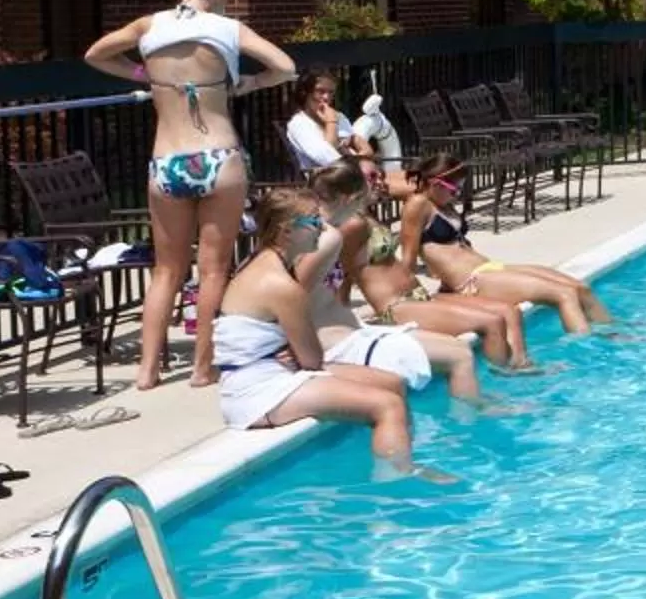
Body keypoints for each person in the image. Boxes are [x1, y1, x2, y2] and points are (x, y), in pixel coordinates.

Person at [84, 0, 298, 390]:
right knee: (213, 269)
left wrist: (142, 72)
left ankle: (147, 370)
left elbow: (95, 55)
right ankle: (202, 367)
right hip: (218, 157)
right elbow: (286, 66)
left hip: (167, 162)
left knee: (166, 271)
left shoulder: (148, 27)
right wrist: (250, 84)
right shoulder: (227, 29)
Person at [209, 189, 446, 478]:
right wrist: (293, 356)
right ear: (286, 231)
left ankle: (385, 457)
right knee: (387, 405)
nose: (322, 230)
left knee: (393, 382)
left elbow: (301, 354)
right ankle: (397, 483)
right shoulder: (282, 285)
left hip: (272, 370)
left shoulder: (266, 263)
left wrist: (289, 353)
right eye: (313, 223)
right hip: (255, 393)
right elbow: (311, 360)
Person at [304, 165, 492, 405]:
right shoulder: (327, 237)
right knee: (459, 357)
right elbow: (292, 291)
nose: (379, 184)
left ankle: (471, 414)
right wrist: (298, 348)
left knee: (460, 351)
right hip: (333, 341)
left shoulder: (329, 232)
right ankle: (471, 424)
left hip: (349, 330)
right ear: (350, 198)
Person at [397, 153, 614, 336]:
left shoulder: (443, 205)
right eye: (454, 190)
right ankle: (587, 354)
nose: (458, 194)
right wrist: (404, 301)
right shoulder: (417, 204)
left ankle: (614, 335)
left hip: (490, 269)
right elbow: (408, 258)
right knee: (562, 295)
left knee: (579, 288)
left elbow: (454, 249)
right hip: (473, 281)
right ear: (435, 184)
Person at [352, 163, 540, 372]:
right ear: (350, 180)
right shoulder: (350, 224)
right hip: (396, 306)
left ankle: (521, 366)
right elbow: (338, 271)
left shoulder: (367, 217)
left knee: (508, 310)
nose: (381, 180)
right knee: (491, 322)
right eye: (372, 176)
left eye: (380, 174)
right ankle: (506, 381)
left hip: (419, 294)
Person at [284, 73, 369, 174]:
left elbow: (360, 145)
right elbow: (329, 159)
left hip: (356, 173)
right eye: (320, 91)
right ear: (305, 92)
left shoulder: (339, 116)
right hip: (328, 181)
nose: (326, 97)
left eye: (331, 92)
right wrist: (331, 122)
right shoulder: (299, 124)